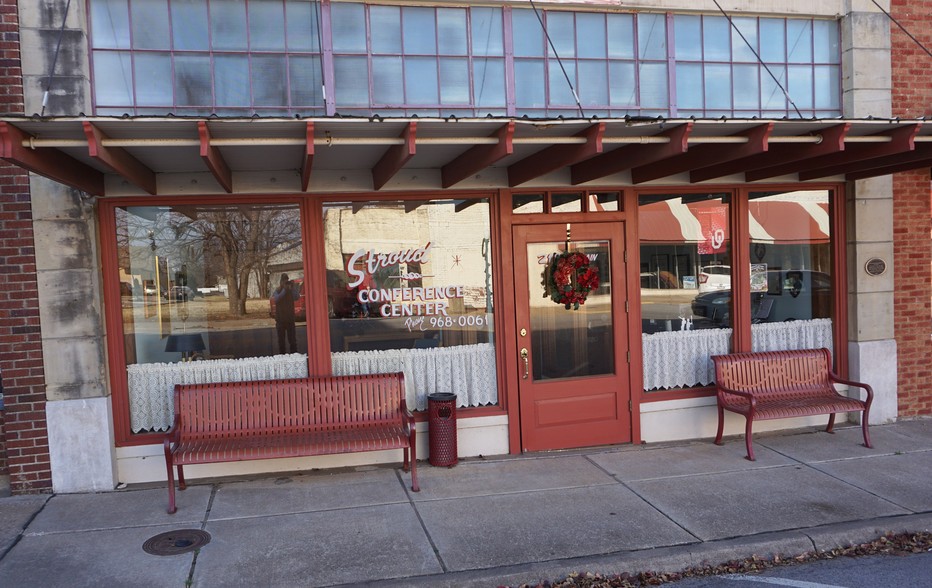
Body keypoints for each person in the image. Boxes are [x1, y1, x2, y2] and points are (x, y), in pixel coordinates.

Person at [272, 274, 300, 354]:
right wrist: (284, 290)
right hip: (280, 320)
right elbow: (276, 299)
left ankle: (294, 356)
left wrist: (293, 288)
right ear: (281, 282)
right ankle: (282, 356)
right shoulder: (278, 290)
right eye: (284, 282)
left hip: (290, 319)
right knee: (281, 342)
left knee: (292, 341)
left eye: (287, 281)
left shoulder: (291, 291)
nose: (286, 283)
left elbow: (297, 297)